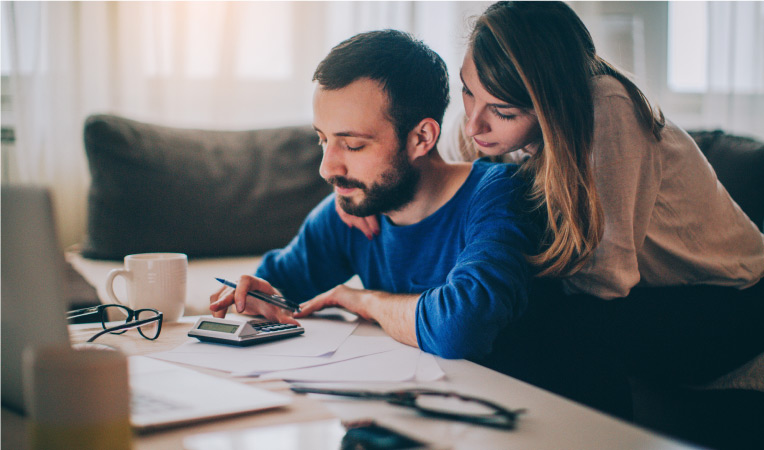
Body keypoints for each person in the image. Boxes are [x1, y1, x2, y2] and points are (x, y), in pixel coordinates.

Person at [338, 2, 764, 419]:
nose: (474, 125)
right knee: (491, 304)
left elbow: (605, 279)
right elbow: (430, 167)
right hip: (643, 295)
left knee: (541, 319)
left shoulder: (607, 111)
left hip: (728, 299)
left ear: (550, 103)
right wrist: (359, 192)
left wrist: (479, 286)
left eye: (503, 112)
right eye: (468, 91)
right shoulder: (485, 115)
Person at [209, 29, 540, 362]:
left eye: (353, 145)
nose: (327, 169)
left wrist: (364, 300)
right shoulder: (354, 209)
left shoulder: (499, 195)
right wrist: (258, 294)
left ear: (421, 138)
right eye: (322, 140)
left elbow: (461, 330)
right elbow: (278, 283)